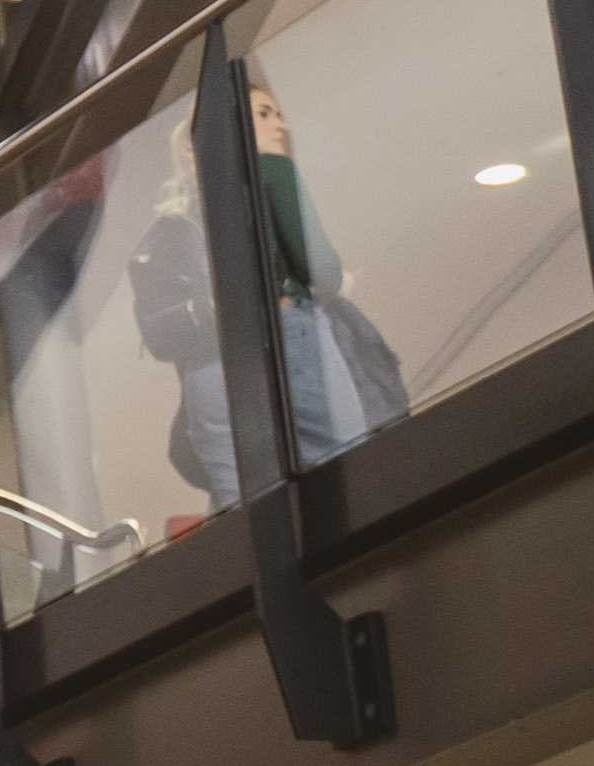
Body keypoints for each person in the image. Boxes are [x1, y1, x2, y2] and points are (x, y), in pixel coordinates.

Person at [133, 76, 416, 509]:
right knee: (337, 476)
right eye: (264, 114)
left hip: (209, 371)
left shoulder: (172, 225)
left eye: (280, 115)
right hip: (286, 336)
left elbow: (160, 331)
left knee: (244, 509)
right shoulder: (272, 172)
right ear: (231, 128)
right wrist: (340, 284)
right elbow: (320, 268)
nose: (280, 124)